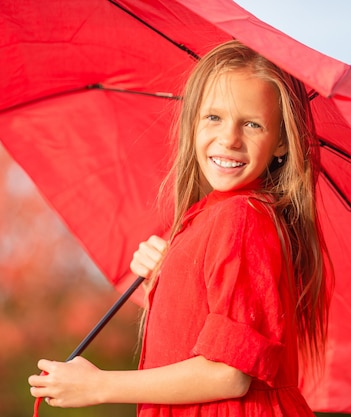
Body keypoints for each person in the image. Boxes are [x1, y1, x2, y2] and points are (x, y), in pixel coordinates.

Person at [28, 39, 330, 416]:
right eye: (214, 117)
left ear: (281, 141)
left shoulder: (241, 218)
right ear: (193, 122)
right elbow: (190, 331)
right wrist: (166, 275)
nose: (230, 138)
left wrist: (98, 385)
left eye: (252, 124)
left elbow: (228, 373)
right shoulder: (210, 218)